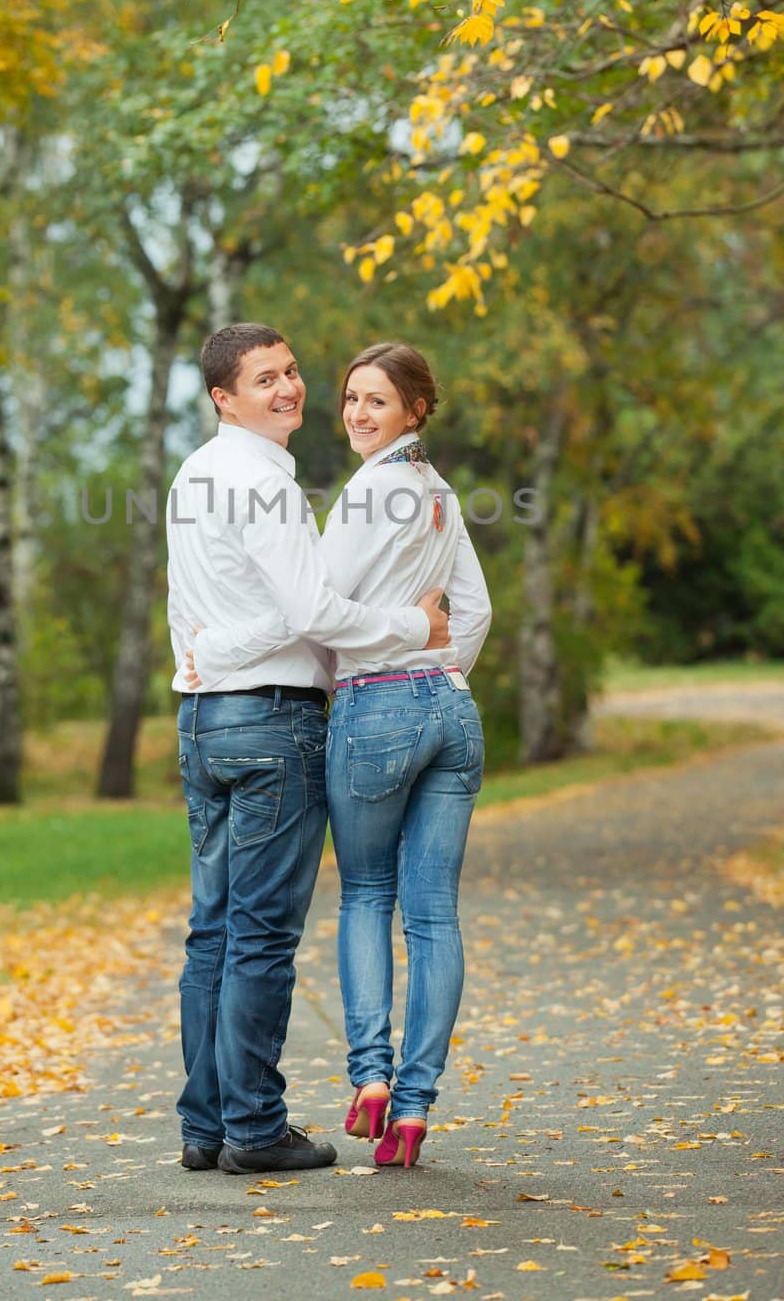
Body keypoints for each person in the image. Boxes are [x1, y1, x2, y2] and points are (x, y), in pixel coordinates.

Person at [188, 342, 491, 1169]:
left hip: (374, 709)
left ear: (414, 410)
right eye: (352, 398)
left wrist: (374, 668)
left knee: (364, 897)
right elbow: (474, 611)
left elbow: (316, 612)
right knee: (433, 917)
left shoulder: (363, 494)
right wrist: (438, 660)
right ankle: (415, 1107)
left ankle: (371, 1077)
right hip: (453, 714)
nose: (356, 413)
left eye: (377, 401)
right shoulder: (439, 493)